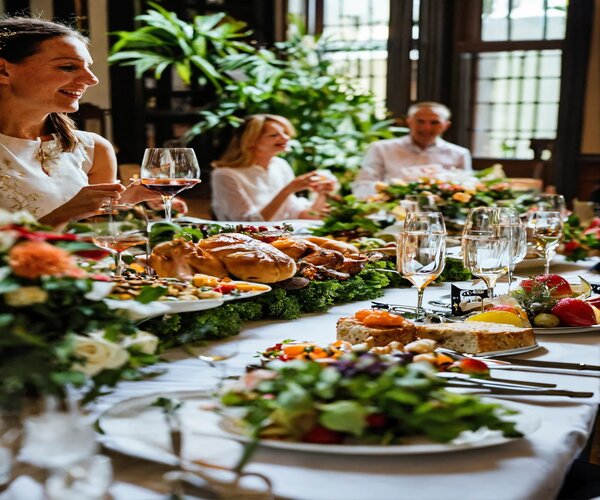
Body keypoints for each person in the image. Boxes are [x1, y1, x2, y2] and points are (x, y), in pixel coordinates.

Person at [0, 16, 157, 227]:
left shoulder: (94, 149)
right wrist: (66, 213)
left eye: (88, 67)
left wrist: (125, 200)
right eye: (68, 67)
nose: (92, 79)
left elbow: (98, 237)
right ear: (3, 70)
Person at [211, 114, 337, 221]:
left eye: (285, 133)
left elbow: (302, 215)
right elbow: (247, 224)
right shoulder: (225, 175)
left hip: (286, 238)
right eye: (274, 135)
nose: (286, 138)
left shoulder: (280, 165)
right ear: (251, 141)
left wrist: (322, 193)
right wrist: (288, 190)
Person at [352, 102, 472, 198]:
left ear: (446, 125)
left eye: (434, 122)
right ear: (409, 121)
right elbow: (363, 184)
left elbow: (468, 189)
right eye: (420, 121)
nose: (426, 127)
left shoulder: (460, 154)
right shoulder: (381, 148)